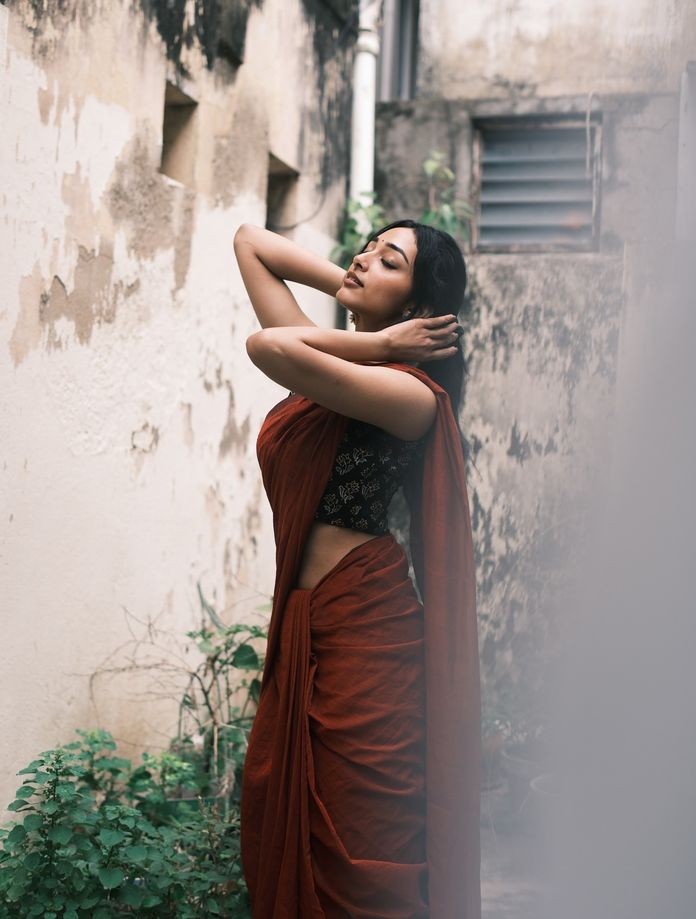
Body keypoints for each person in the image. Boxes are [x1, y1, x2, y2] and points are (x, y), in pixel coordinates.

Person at [233, 219, 481, 918]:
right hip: (308, 627)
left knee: (360, 848)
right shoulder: (344, 363)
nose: (364, 257)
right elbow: (251, 241)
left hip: (369, 637)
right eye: (365, 246)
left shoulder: (410, 396)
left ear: (418, 306)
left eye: (388, 258)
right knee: (287, 826)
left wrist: (383, 344)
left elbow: (268, 345)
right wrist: (366, 309)